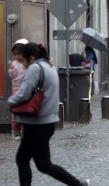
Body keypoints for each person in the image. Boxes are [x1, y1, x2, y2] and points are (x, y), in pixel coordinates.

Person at [7, 42, 90, 186]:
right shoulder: (49, 66)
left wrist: (10, 101)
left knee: (44, 165)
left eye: (24, 61)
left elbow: (23, 93)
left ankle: (78, 184)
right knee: (22, 159)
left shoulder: (35, 68)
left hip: (38, 124)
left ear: (31, 58)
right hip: (44, 122)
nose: (24, 65)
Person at [8, 38, 28, 140]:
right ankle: (16, 131)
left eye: (20, 54)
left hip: (28, 90)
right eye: (15, 54)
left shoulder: (29, 62)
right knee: (17, 112)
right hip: (17, 89)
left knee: (26, 112)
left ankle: (25, 131)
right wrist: (11, 67)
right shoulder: (15, 64)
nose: (18, 57)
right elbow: (13, 75)